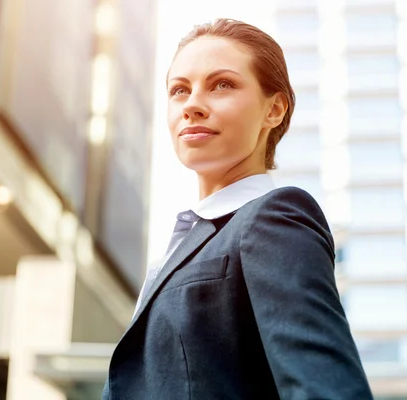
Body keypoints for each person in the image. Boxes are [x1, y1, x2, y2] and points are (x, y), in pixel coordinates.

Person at [103, 18, 373, 400]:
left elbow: (325, 388)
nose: (192, 105)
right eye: (179, 90)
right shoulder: (177, 246)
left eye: (222, 84)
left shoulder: (275, 217)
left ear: (274, 110)